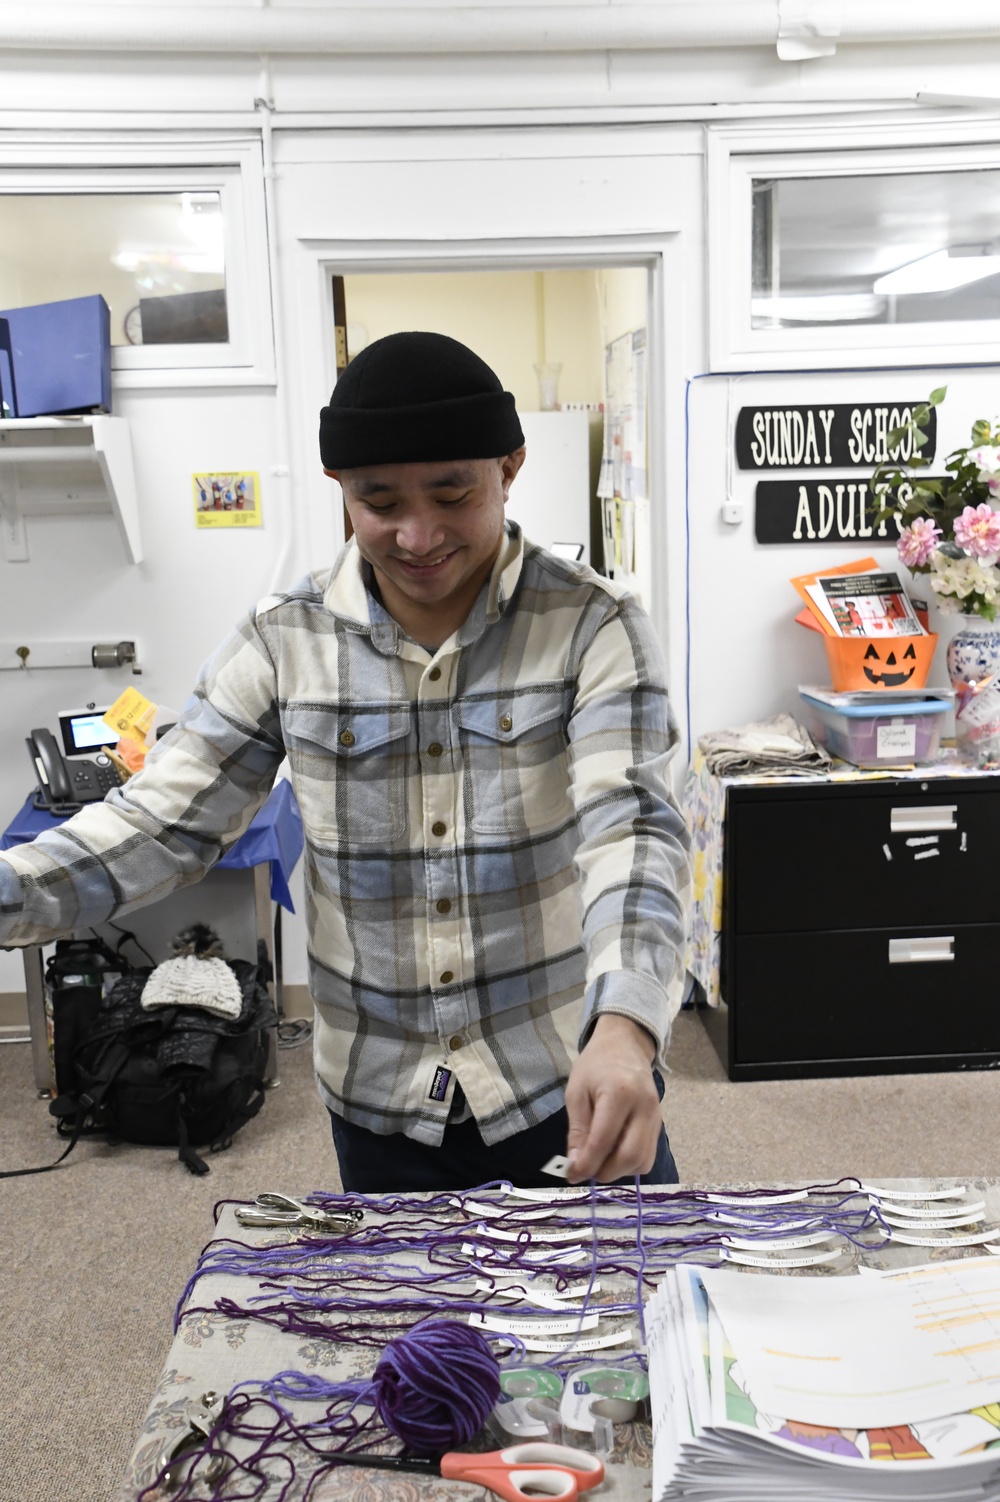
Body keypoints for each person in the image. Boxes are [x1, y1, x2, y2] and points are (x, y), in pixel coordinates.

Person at [0, 331, 691, 1192]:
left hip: (568, 1076)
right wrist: (11, 888)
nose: (419, 534)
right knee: (407, 1324)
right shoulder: (283, 640)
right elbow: (163, 822)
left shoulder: (595, 625)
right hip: (382, 1100)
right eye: (379, 501)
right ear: (340, 490)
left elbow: (632, 832)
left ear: (509, 468)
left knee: (619, 1315)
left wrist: (625, 1026)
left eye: (452, 492)